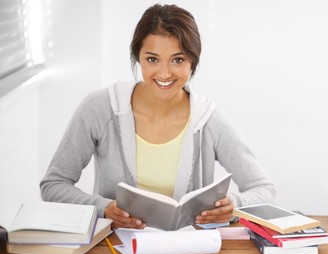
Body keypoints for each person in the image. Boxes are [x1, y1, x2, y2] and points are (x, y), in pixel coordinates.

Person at [40, 4, 276, 229]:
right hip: (114, 249)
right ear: (138, 57)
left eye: (178, 60)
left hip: (188, 253)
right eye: (152, 59)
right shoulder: (100, 108)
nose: (164, 73)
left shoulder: (209, 120)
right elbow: (53, 184)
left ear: (192, 61)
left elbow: (264, 189)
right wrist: (103, 208)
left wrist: (234, 205)